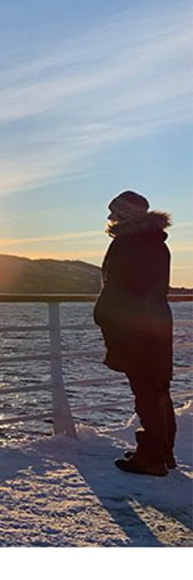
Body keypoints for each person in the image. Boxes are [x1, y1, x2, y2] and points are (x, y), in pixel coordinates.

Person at [93, 190, 175, 476]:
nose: (109, 218)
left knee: (145, 391)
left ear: (125, 214)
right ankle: (162, 453)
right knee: (158, 388)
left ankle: (151, 459)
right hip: (156, 324)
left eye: (114, 212)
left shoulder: (128, 244)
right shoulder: (156, 244)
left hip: (136, 328)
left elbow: (119, 288)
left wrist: (101, 314)